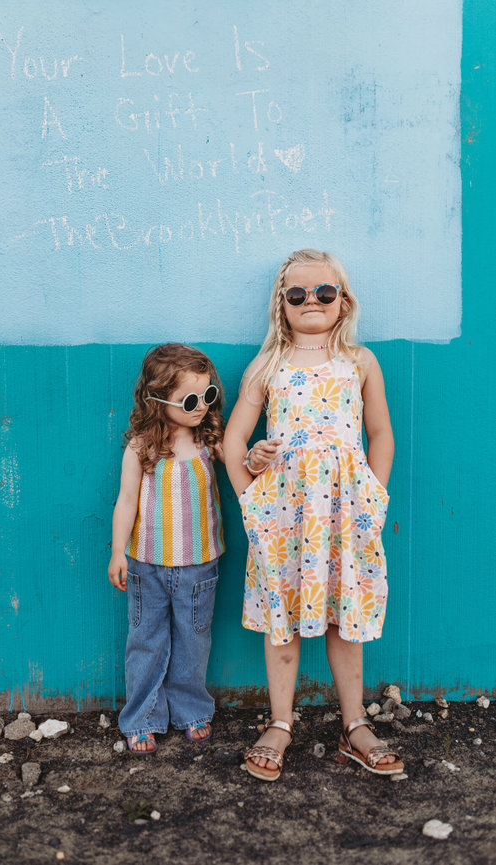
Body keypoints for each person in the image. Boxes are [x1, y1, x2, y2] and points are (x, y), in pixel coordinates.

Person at [224, 249, 404, 780]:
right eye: (297, 294)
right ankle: (281, 722)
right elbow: (236, 439)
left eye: (324, 292)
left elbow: (381, 433)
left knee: (344, 612)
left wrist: (374, 494)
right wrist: (250, 496)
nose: (311, 301)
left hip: (347, 513)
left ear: (342, 301)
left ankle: (354, 725)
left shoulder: (361, 362)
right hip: (283, 516)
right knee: (282, 614)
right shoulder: (267, 366)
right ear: (281, 304)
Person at [108, 343, 226, 754]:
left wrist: (258, 456)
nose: (201, 407)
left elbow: (246, 464)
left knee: (194, 640)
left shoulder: (210, 441)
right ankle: (142, 717)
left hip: (199, 565)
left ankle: (192, 711)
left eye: (208, 396)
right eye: (190, 400)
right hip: (146, 565)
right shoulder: (142, 448)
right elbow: (125, 502)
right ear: (156, 400)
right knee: (146, 640)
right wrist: (117, 551)